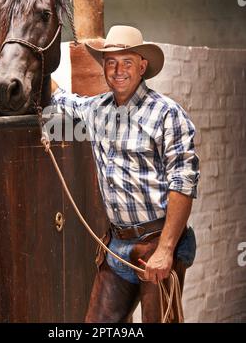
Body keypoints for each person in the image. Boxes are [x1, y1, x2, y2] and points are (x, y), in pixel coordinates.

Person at [49, 25, 200, 323]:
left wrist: (166, 249)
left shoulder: (167, 114)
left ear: (142, 67)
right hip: (117, 245)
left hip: (157, 242)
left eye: (127, 62)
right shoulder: (97, 110)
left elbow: (183, 183)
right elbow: (62, 99)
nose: (118, 70)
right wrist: (37, 60)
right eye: (111, 62)